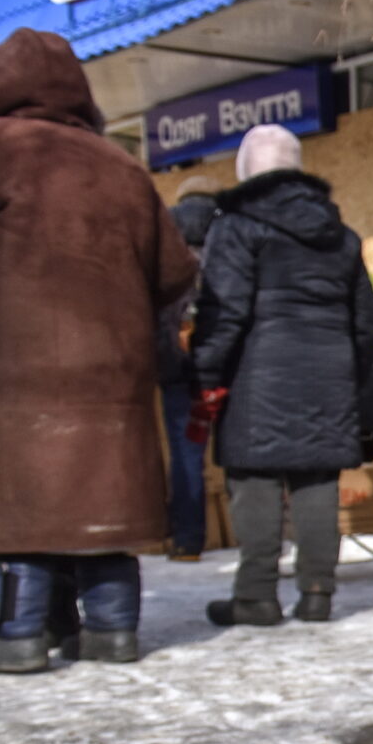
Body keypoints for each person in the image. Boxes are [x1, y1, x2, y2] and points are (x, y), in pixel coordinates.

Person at [0, 27, 197, 674]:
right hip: (115, 369)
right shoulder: (119, 164)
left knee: (29, 494)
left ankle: (18, 632)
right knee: (105, 495)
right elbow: (176, 271)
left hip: (23, 360)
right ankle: (113, 631)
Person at [189, 124, 373, 626]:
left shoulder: (236, 225)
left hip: (260, 373)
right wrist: (354, 376)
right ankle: (318, 592)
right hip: (329, 370)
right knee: (318, 476)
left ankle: (256, 596)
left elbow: (223, 309)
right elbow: (365, 319)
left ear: (247, 169)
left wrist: (204, 371)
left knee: (256, 477)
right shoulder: (342, 235)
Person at [161, 174, 221, 560]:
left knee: (186, 453)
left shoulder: (163, 231)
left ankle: (187, 539)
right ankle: (256, 533)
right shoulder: (229, 229)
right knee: (237, 450)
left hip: (174, 360)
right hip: (221, 356)